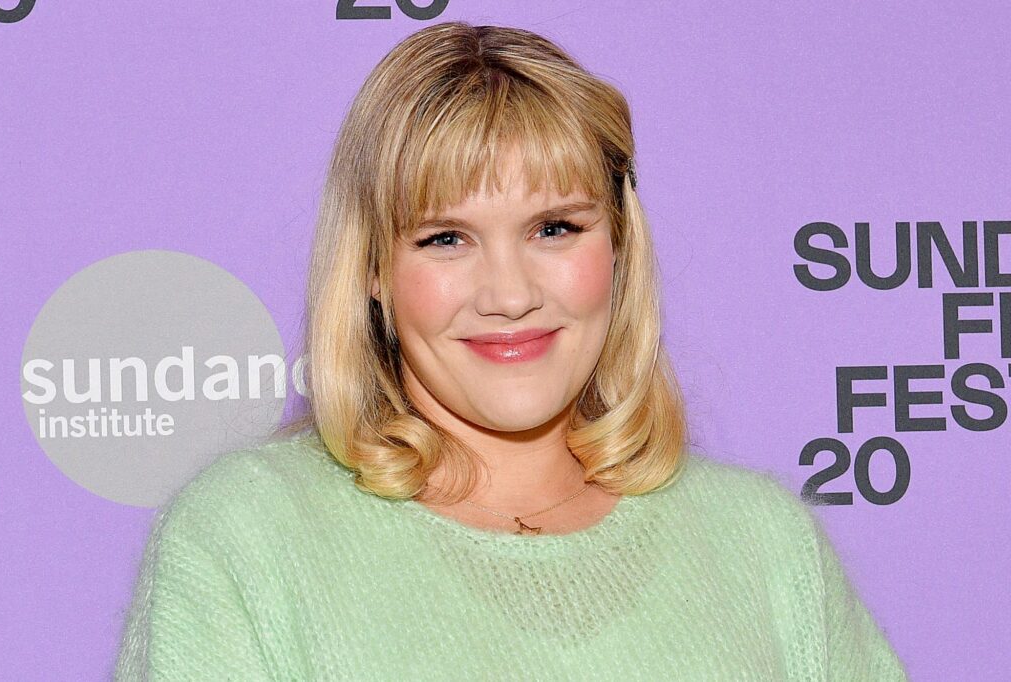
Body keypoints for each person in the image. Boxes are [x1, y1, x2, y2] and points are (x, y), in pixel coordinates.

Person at [113, 21, 908, 681]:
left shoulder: (762, 545)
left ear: (620, 245)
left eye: (554, 228)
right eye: (446, 238)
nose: (509, 293)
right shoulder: (248, 540)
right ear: (373, 270)